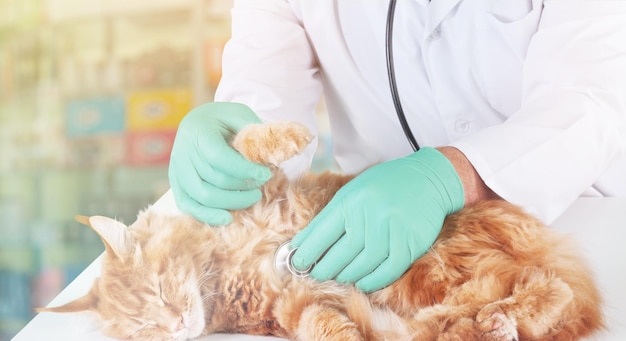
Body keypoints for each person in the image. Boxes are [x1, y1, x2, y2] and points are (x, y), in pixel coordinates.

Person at [168, 1, 626, 293]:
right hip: (377, 252)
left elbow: (588, 100)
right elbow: (266, 96)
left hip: (581, 230)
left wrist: (451, 176)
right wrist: (236, 145)